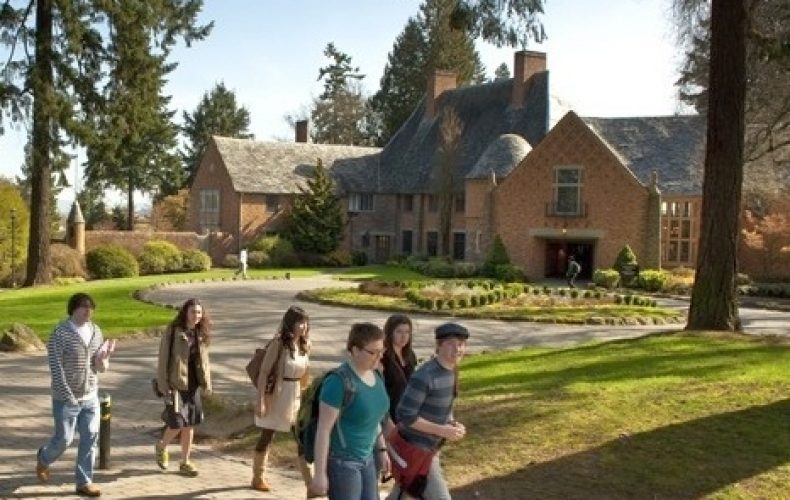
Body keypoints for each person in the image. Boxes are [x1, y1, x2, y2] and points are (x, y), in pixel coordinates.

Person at [36, 293, 115, 498]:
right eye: (83, 307)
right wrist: (69, 397)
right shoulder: (60, 333)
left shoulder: (96, 331)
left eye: (91, 307)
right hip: (65, 398)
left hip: (90, 396)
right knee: (64, 439)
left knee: (90, 437)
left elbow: (98, 366)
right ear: (73, 309)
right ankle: (44, 458)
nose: (88, 310)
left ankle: (84, 482)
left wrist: (103, 360)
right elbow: (56, 368)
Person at [386, 322, 470, 500]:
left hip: (430, 450)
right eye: (450, 344)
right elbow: (405, 415)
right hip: (413, 449)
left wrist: (451, 423)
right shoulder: (424, 376)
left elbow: (445, 406)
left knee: (406, 493)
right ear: (438, 346)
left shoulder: (452, 370)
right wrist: (443, 430)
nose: (457, 349)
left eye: (461, 344)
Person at [309, 323, 391, 500]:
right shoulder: (338, 382)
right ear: (355, 350)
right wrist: (320, 474)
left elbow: (374, 419)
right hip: (343, 463)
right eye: (373, 352)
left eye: (382, 351)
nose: (379, 357)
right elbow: (323, 430)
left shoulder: (376, 375)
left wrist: (382, 450)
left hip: (368, 458)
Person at [251, 305, 312, 492]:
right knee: (267, 436)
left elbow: (305, 375)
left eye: (305, 322)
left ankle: (311, 483)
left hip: (296, 397)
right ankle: (258, 477)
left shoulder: (305, 345)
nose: (303, 327)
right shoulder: (279, 344)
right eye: (299, 323)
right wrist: (260, 400)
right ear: (290, 324)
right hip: (277, 396)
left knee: (301, 438)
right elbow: (264, 372)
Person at [154, 298, 212, 477]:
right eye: (193, 311)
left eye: (199, 312)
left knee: (190, 424)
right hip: (176, 384)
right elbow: (163, 358)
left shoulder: (200, 333)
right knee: (177, 423)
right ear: (185, 312)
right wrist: (163, 383)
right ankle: (161, 447)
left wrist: (207, 384)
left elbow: (205, 361)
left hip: (194, 385)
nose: (196, 315)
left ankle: (185, 461)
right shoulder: (173, 331)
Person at [380, 314, 417, 423]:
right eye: (399, 332)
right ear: (390, 333)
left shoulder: (410, 355)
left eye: (407, 332)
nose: (404, 336)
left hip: (408, 410)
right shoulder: (382, 356)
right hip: (389, 412)